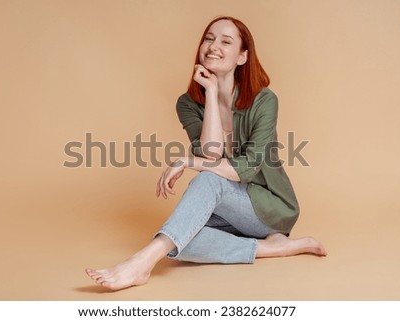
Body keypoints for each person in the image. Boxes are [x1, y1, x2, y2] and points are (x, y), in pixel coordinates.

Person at [86, 16, 326, 291]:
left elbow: (245, 170)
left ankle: (141, 263)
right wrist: (211, 92)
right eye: (209, 39)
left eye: (226, 41)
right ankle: (272, 248)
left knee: (204, 183)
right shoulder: (187, 104)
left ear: (242, 57)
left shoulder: (264, 100)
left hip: (271, 208)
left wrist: (187, 161)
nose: (213, 46)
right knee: (180, 239)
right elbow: (211, 157)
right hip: (229, 209)